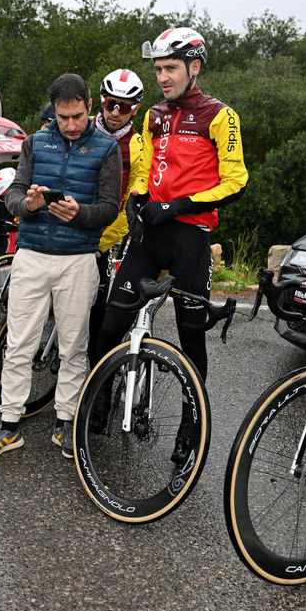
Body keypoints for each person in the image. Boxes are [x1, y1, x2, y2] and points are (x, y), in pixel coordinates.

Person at [93, 28, 248, 465]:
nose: (162, 77)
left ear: (194, 67)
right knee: (110, 327)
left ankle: (189, 425)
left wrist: (181, 203)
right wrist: (138, 196)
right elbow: (148, 169)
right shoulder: (154, 114)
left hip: (190, 238)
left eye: (171, 68)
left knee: (190, 342)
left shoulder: (221, 116)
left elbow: (236, 181)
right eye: (158, 69)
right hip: (150, 234)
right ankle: (99, 408)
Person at [0, 73, 121, 461]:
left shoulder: (107, 149)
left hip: (79, 260)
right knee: (19, 343)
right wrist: (31, 205)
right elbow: (14, 197)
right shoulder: (34, 142)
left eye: (76, 116)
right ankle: (9, 427)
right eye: (62, 117)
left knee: (74, 347)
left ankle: (65, 424)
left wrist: (81, 213)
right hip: (33, 254)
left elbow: (109, 209)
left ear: (90, 107)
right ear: (53, 111)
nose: (70, 125)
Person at [86, 69, 148, 364]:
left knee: (98, 315)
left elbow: (133, 200)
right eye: (110, 102)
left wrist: (102, 240)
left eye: (123, 106)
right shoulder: (79, 128)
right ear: (101, 99)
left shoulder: (137, 144)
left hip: (100, 235)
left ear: (135, 108)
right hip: (68, 229)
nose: (114, 112)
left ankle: (95, 385)